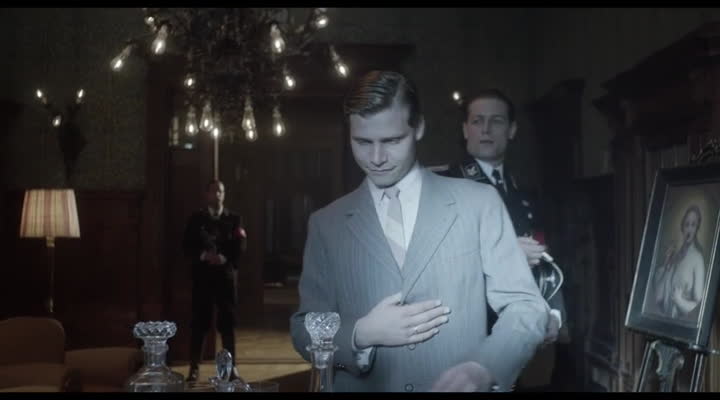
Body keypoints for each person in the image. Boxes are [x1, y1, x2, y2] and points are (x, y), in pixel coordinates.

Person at [290, 70, 554, 392]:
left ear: (419, 128)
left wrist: (485, 367)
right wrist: (361, 333)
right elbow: (303, 328)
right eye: (363, 142)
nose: (376, 158)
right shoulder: (326, 223)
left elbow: (526, 306)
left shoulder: (479, 203)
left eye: (392, 141)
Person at [440, 89, 565, 390]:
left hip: (522, 337)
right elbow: (438, 264)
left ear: (511, 130)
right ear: (465, 129)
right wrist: (507, 252)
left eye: (496, 121)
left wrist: (553, 312)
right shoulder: (444, 188)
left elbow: (546, 259)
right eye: (477, 121)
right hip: (468, 336)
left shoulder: (523, 192)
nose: (485, 129)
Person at [182, 179, 246, 382]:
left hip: (225, 279)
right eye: (214, 191)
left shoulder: (234, 219)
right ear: (207, 194)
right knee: (199, 323)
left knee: (228, 324)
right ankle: (194, 368)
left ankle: (232, 368)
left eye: (221, 191)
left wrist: (223, 258)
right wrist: (204, 255)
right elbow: (186, 245)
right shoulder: (196, 219)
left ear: (224, 195)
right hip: (203, 278)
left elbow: (240, 245)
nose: (217, 195)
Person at [652, 205, 706, 321]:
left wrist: (680, 301)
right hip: (663, 322)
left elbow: (700, 308)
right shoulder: (675, 256)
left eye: (693, 225)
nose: (689, 229)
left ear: (697, 229)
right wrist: (667, 266)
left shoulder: (698, 259)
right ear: (682, 228)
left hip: (682, 325)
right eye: (687, 224)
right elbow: (657, 297)